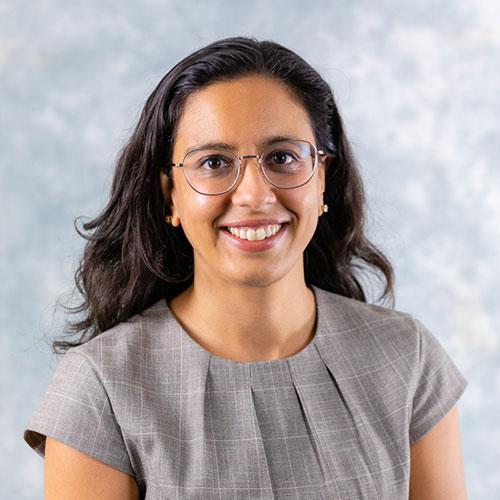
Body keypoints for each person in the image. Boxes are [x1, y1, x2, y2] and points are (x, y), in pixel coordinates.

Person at [24, 37, 468, 499]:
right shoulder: (101, 388)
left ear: (322, 178)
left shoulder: (407, 358)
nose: (254, 195)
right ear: (170, 193)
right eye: (214, 163)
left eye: (282, 157)